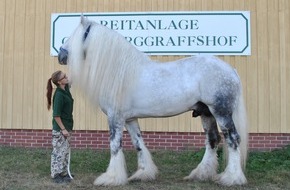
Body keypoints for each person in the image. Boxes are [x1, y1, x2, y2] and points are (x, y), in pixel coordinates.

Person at [46, 70, 74, 183]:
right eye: (64, 77)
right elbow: (56, 115)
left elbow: (72, 79)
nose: (66, 77)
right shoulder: (58, 95)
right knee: (58, 152)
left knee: (65, 151)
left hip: (67, 127)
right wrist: (63, 129)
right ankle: (55, 174)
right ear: (59, 81)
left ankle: (63, 172)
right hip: (60, 129)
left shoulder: (65, 89)